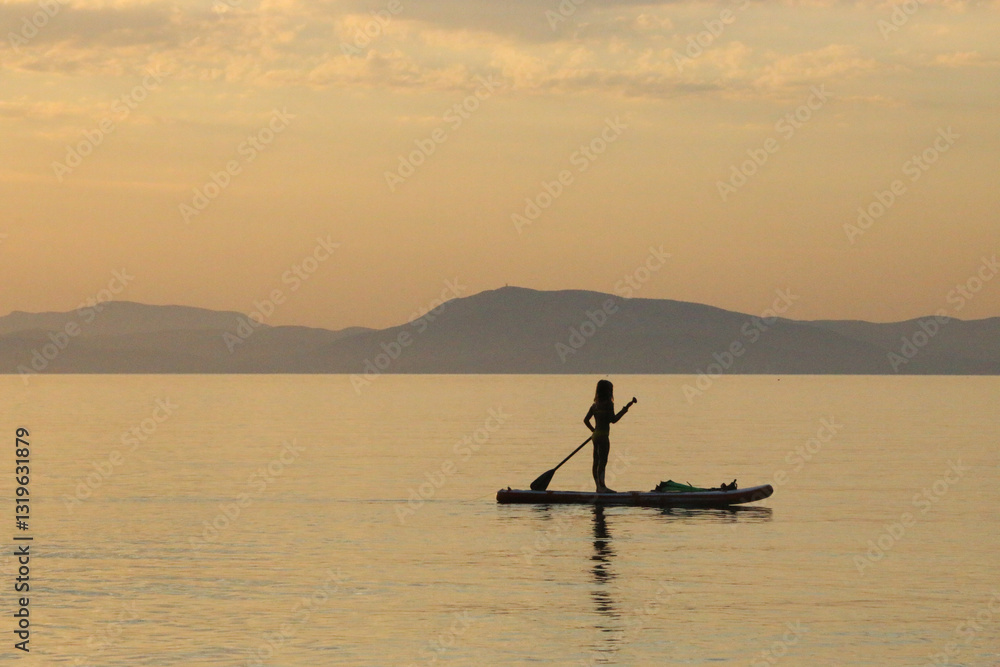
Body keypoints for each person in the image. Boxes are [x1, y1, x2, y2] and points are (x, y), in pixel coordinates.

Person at [583, 380, 637, 493]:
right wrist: (625, 409)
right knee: (603, 461)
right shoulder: (608, 404)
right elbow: (613, 420)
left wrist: (593, 431)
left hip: (595, 436)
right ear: (608, 391)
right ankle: (602, 487)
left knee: (596, 461)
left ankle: (598, 486)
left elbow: (586, 420)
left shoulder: (594, 405)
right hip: (603, 437)